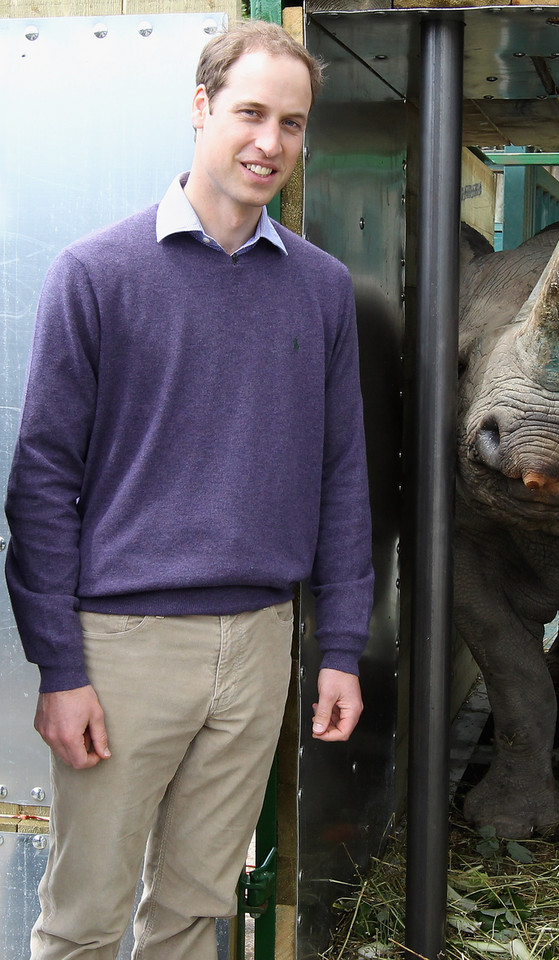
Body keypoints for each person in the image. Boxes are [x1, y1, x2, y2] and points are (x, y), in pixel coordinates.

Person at [4, 19, 374, 960]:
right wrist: (61, 666)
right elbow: (42, 484)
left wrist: (337, 647)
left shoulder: (322, 291)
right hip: (124, 650)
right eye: (250, 113)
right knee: (84, 917)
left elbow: (340, 476)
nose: (269, 143)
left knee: (196, 909)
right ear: (201, 106)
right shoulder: (96, 274)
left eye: (291, 124)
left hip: (260, 644)